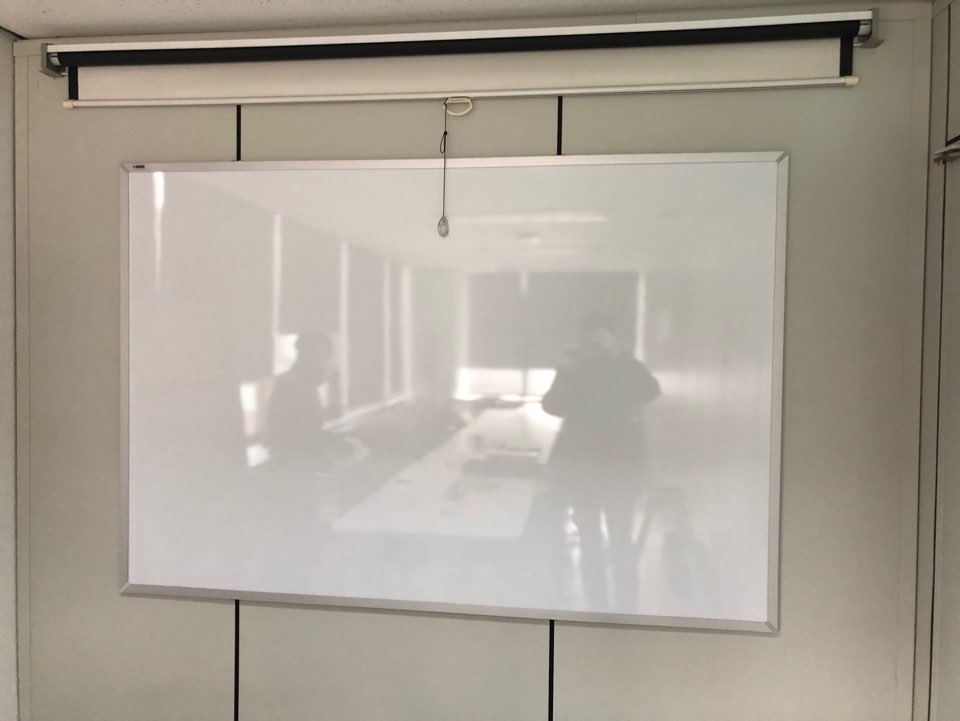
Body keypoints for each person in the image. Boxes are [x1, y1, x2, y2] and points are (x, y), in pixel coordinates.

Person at [539, 311, 660, 610]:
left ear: (613, 337)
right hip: (585, 470)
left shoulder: (626, 367)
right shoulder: (575, 369)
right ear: (583, 339)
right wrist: (570, 369)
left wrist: (618, 359)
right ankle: (597, 611)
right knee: (590, 540)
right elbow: (551, 405)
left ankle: (626, 611)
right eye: (590, 334)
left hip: (617, 469)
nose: (596, 338)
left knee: (620, 541)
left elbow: (650, 390)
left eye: (602, 333)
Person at [265, 330, 358, 475]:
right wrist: (335, 443)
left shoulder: (305, 385)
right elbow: (297, 438)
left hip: (299, 463)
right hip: (291, 470)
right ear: (305, 357)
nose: (325, 364)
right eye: (322, 358)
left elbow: (308, 432)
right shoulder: (292, 386)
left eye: (326, 358)